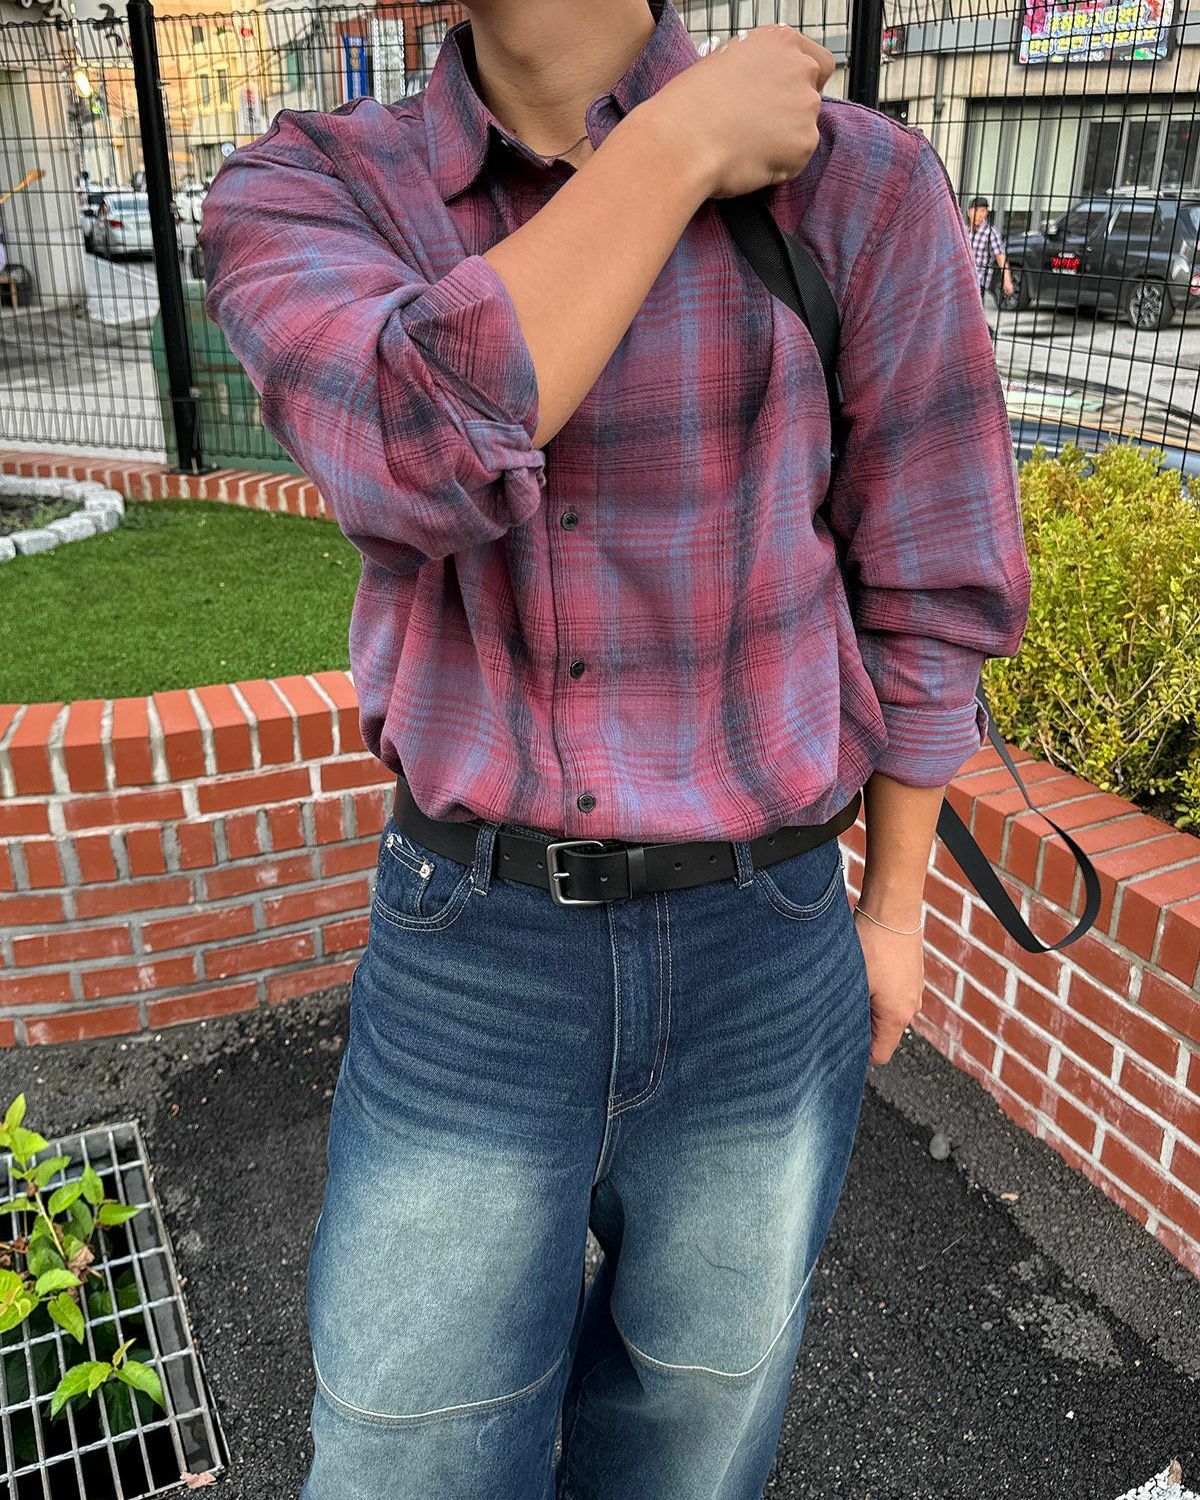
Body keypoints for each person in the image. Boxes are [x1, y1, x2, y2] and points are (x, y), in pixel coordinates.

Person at [198, 3, 1031, 1497]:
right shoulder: (315, 186)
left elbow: (932, 568)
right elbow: (409, 451)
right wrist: (678, 145)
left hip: (765, 942)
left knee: (693, 1444)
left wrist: (895, 910)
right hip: (472, 951)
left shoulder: (858, 187)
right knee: (404, 1461)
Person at [967, 193, 1015, 306]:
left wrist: (1007, 280)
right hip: (962, 280)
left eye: (983, 211)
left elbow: (1000, 257)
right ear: (969, 212)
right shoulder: (964, 231)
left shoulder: (991, 233)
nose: (979, 215)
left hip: (979, 281)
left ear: (986, 213)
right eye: (976, 211)